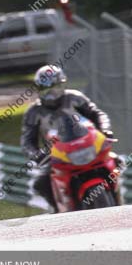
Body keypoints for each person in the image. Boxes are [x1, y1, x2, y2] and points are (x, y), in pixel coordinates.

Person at [20, 65, 113, 212]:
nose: (51, 94)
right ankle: (58, 212)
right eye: (46, 90)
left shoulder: (75, 98)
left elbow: (97, 114)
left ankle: (116, 195)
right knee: (41, 183)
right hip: (57, 156)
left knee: (116, 161)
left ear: (62, 85)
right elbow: (27, 141)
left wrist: (105, 130)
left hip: (87, 146)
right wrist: (37, 156)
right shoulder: (33, 112)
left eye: (54, 88)